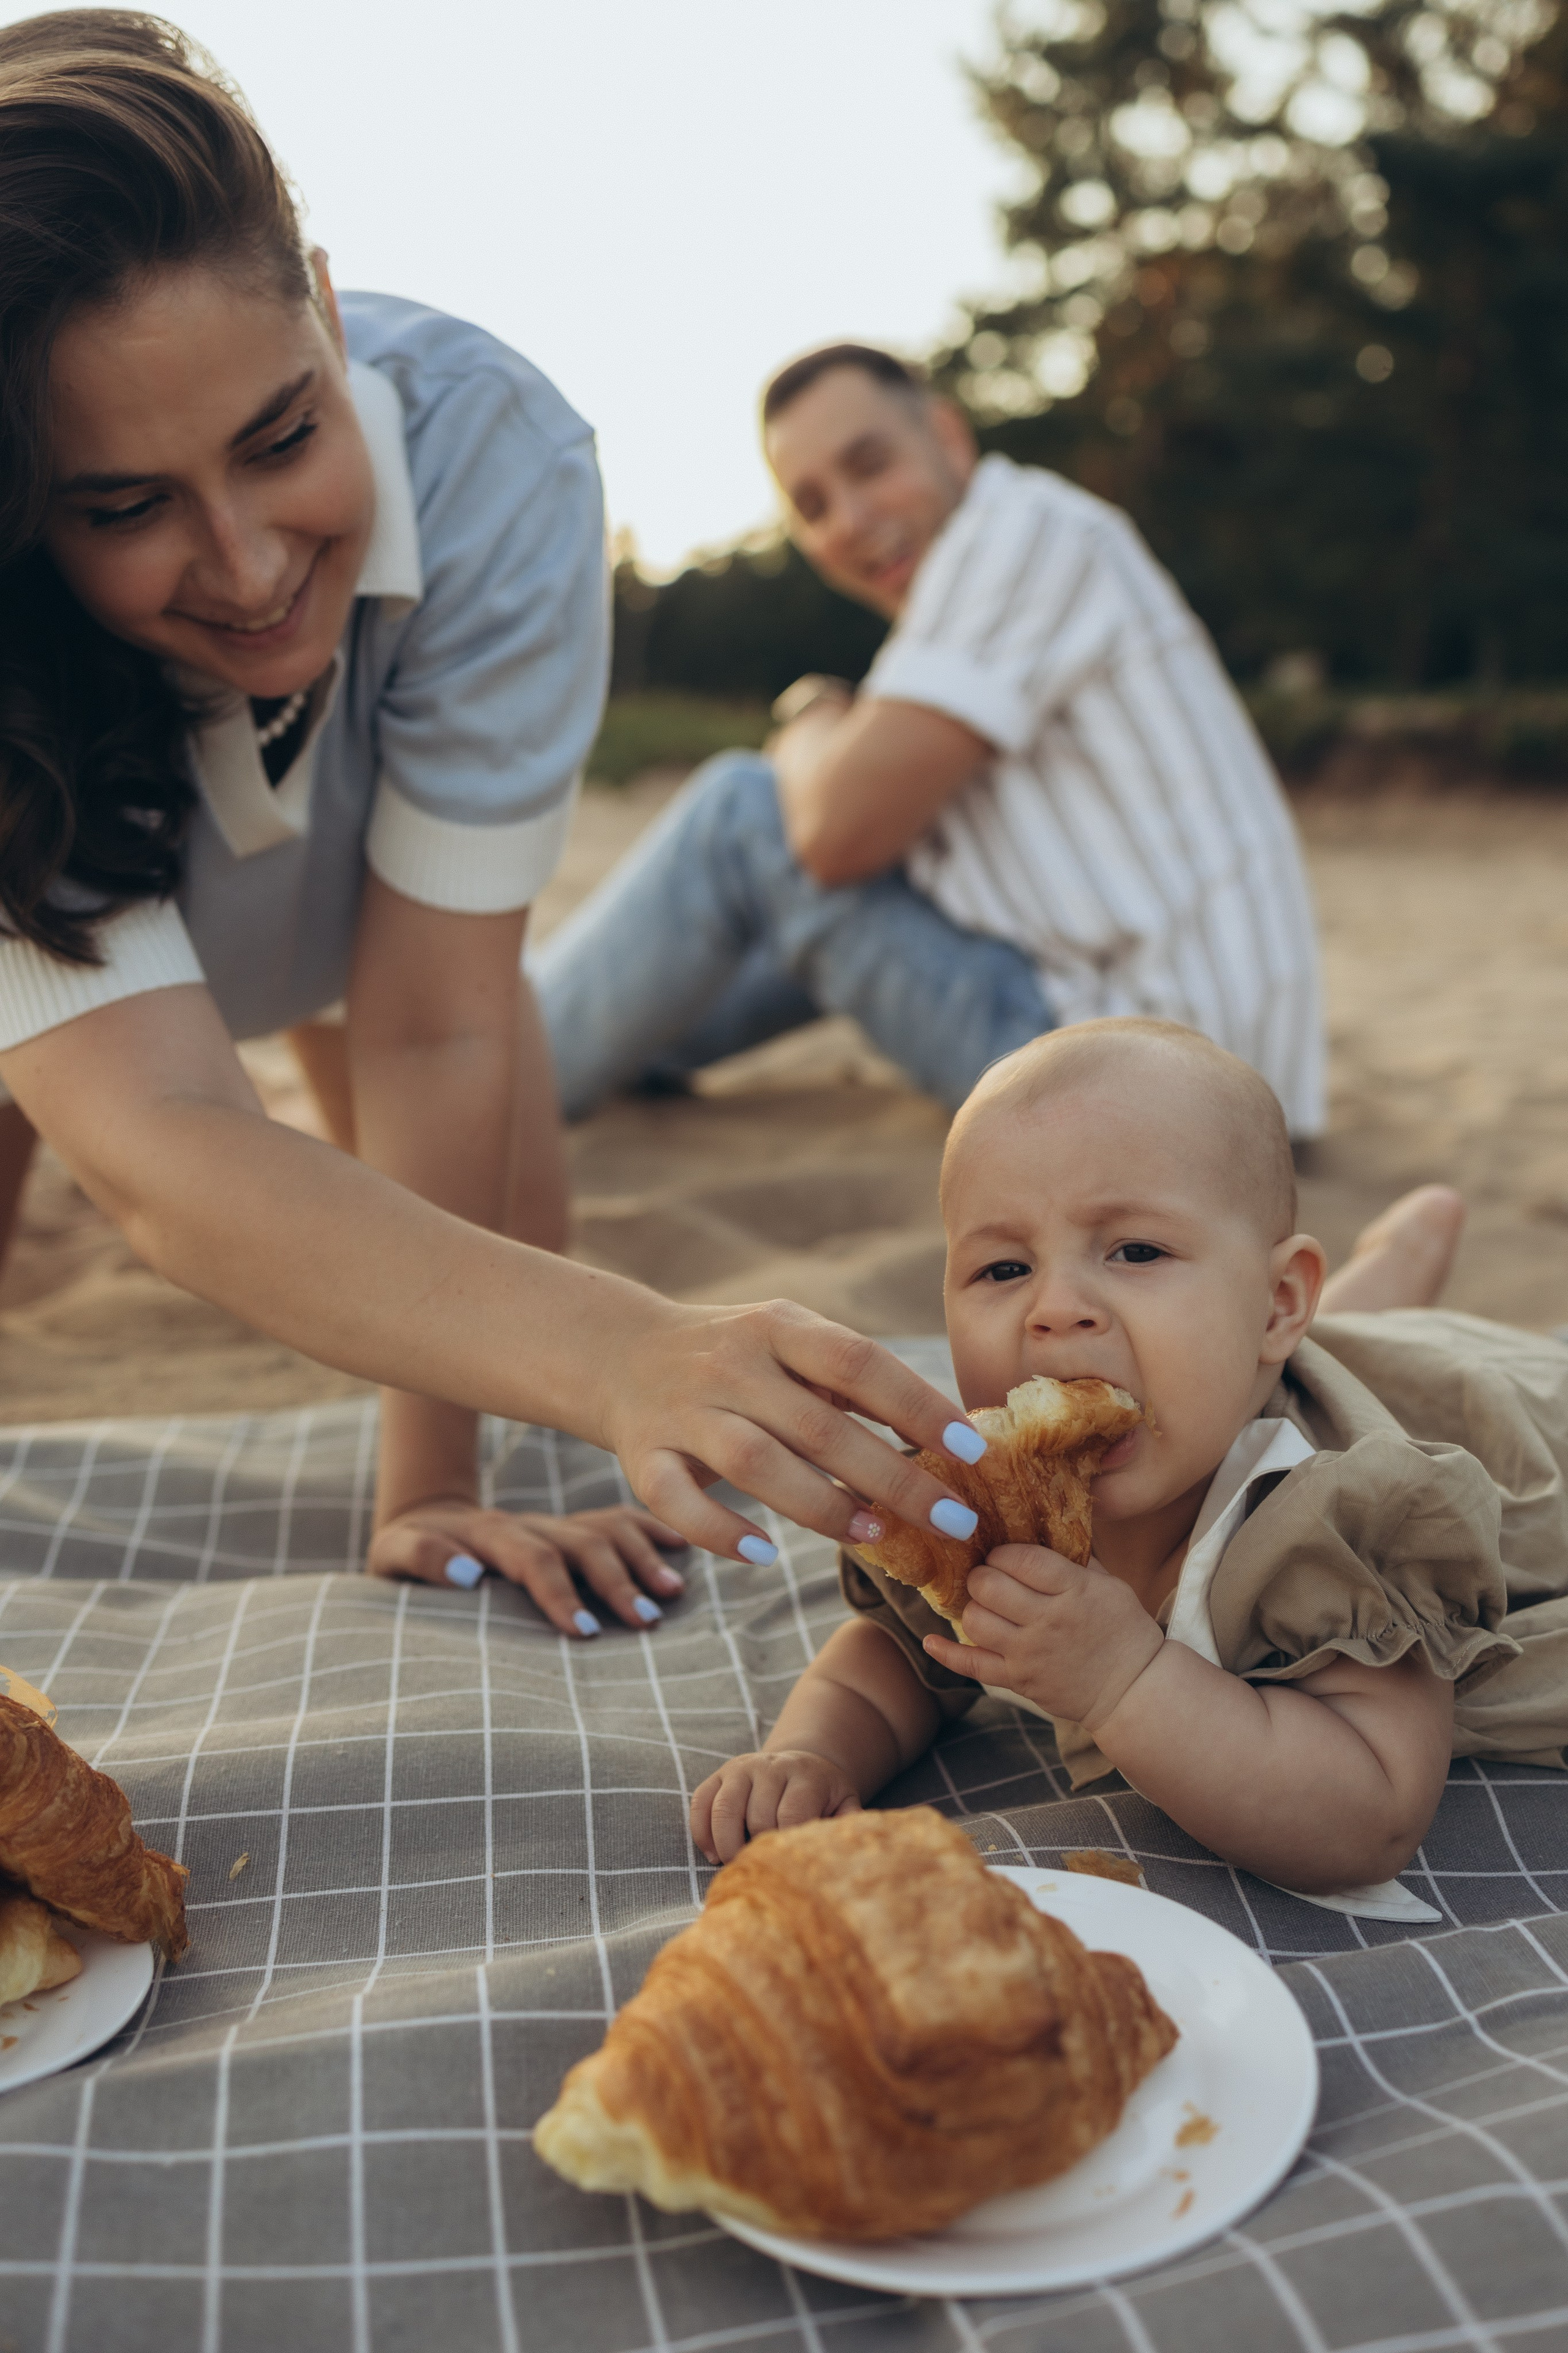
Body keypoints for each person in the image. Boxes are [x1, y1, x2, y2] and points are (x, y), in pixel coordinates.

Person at [0, 13, 989, 1633]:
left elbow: (432, 1026)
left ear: (324, 306)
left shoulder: (498, 466)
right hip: (68, 929)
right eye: (123, 505)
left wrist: (434, 1487)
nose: (249, 568)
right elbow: (167, 1153)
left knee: (518, 1252)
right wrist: (624, 1349)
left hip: (337, 916)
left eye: (282, 439)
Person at [690, 1020, 1568, 1902]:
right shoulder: (993, 1493)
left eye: (1137, 1251)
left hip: (1505, 1416)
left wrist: (1125, 1681)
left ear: (1276, 1300)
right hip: (1281, 1345)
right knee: (1270, 1348)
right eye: (1002, 1268)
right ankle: (1396, 1263)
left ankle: (1396, 1265)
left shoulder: (1327, 1517)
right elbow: (901, 1650)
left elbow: (1372, 1811)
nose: (1057, 1308)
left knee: (1370, 1359)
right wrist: (810, 1752)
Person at [537, 345, 1324, 1135]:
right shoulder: (1015, 566)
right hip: (1219, 1077)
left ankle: (519, 1052)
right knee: (822, 884)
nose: (850, 520)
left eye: (870, 465)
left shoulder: (1020, 537)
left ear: (949, 438)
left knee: (745, 815)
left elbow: (832, 836)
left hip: (1157, 1085)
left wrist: (810, 719)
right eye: (812, 507)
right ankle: (593, 1034)